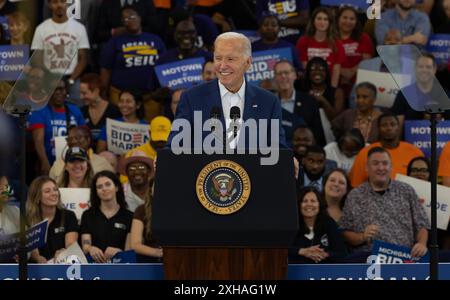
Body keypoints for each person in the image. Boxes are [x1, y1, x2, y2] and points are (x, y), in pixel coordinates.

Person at [168, 32, 287, 149]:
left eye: (230, 59)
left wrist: (288, 160)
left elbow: (278, 148)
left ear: (248, 62)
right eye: (218, 58)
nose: (222, 66)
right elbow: (174, 146)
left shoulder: (268, 102)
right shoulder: (191, 98)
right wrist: (164, 159)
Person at [339, 147, 429, 260]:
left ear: (391, 167)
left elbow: (422, 224)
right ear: (367, 168)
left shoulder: (406, 190)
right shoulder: (354, 195)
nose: (381, 168)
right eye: (375, 163)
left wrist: (421, 244)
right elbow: (345, 232)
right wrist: (362, 237)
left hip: (404, 259)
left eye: (385, 163)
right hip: (368, 260)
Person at [100, 5, 166, 104]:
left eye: (132, 17)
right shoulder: (115, 42)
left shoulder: (155, 40)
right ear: (122, 23)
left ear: (140, 17)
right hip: (121, 95)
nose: (130, 20)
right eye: (126, 19)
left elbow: (165, 65)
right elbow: (105, 68)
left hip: (151, 95)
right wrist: (103, 93)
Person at [31, 0, 90, 106]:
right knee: (48, 113)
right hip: (48, 79)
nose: (59, 5)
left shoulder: (79, 28)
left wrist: (71, 80)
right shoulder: (41, 29)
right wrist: (49, 77)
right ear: (49, 5)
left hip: (73, 79)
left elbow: (83, 58)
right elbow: (37, 58)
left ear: (67, 3)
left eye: (62, 1)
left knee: (76, 112)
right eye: (54, 2)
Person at [349, 112, 424, 187]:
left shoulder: (415, 152)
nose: (389, 128)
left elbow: (425, 182)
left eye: (392, 124)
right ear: (378, 129)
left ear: (398, 127)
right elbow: (355, 185)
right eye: (384, 125)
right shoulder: (365, 153)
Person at [27, 79, 85, 175]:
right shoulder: (39, 111)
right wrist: (44, 163)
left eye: (61, 89)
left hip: (73, 162)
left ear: (66, 91)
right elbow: (38, 140)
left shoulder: (74, 110)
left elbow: (84, 136)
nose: (58, 92)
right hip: (49, 162)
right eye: (54, 89)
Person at [80, 171, 133, 263]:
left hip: (120, 266)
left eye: (108, 184)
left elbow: (129, 250)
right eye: (99, 187)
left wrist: (119, 251)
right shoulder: (88, 215)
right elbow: (85, 245)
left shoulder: (129, 216)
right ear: (96, 192)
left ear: (116, 187)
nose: (104, 189)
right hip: (94, 266)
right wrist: (91, 248)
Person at [27, 176, 79, 263]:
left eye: (55, 189)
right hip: (36, 269)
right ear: (37, 197)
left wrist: (65, 252)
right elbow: (33, 249)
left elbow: (71, 244)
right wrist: (37, 258)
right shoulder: (28, 218)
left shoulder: (68, 215)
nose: (54, 193)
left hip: (62, 265)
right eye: (47, 191)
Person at [289, 186, 347, 263]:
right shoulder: (291, 224)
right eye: (305, 201)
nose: (309, 204)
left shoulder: (329, 223)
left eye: (313, 201)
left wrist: (324, 254)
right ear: (299, 205)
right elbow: (281, 249)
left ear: (319, 204)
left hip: (324, 273)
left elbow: (342, 254)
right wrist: (302, 251)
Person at [273, 60, 325, 147]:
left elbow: (317, 133)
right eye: (279, 73)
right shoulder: (269, 103)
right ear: (275, 78)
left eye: (286, 72)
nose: (283, 76)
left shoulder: (309, 101)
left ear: (294, 75)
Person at [391, 53, 450, 127]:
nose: (424, 70)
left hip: (439, 137)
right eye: (421, 66)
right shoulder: (403, 94)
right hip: (408, 138)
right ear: (415, 69)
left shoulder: (445, 94)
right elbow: (396, 124)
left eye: (428, 67)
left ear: (434, 69)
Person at [296, 7, 346, 88]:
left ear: (330, 22)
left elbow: (336, 70)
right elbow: (304, 68)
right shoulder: (303, 41)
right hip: (308, 85)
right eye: (319, 19)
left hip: (328, 84)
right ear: (313, 21)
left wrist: (332, 90)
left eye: (326, 19)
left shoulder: (337, 43)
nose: (322, 22)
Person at [49, 125, 115, 181]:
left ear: (88, 140)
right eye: (70, 139)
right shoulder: (58, 164)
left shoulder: (102, 163)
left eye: (78, 138)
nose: (74, 141)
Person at [336, 5, 374, 97]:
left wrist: (350, 73)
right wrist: (342, 72)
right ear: (338, 19)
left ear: (356, 22)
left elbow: (367, 62)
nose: (348, 21)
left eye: (352, 19)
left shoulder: (364, 38)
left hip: (359, 83)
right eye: (345, 17)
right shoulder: (331, 38)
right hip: (336, 81)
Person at [80, 73, 121, 145]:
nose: (81, 97)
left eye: (84, 93)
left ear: (96, 91)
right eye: (80, 93)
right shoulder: (81, 111)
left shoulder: (114, 111)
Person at [130, 177, 163, 263]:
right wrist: (158, 253)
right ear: (150, 191)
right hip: (149, 261)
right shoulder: (141, 210)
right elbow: (135, 245)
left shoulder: (179, 211)